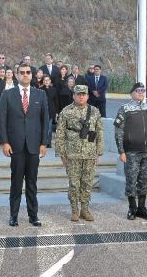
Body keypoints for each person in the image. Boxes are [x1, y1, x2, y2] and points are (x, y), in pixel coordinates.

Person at [0, 64, 49, 227]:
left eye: (28, 73)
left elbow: (44, 120)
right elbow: (1, 120)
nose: (25, 75)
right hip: (16, 146)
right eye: (22, 73)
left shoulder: (40, 95)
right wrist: (5, 142)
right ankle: (14, 216)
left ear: (31, 75)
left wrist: (43, 143)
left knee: (32, 183)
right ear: (16, 75)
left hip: (34, 146)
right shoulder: (7, 94)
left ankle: (33, 215)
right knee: (16, 183)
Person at [55, 84, 103, 222]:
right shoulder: (66, 111)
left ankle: (85, 209)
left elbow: (99, 131)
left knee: (87, 183)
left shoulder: (94, 111)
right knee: (74, 183)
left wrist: (98, 152)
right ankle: (74, 210)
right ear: (73, 96)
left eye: (83, 94)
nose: (81, 96)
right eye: (78, 94)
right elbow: (60, 134)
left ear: (88, 96)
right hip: (72, 153)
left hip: (89, 153)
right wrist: (61, 154)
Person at [114, 82, 147, 220]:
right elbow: (119, 131)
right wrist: (121, 151)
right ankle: (132, 208)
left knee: (144, 180)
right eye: (138, 90)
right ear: (132, 93)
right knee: (131, 179)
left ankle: (142, 208)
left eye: (143, 90)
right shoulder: (125, 109)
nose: (141, 93)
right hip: (131, 152)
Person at [41, 76, 59, 148]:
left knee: (49, 127)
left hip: (51, 111)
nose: (46, 81)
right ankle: (43, 142)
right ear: (43, 82)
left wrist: (57, 112)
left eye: (47, 80)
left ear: (50, 81)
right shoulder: (40, 90)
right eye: (45, 80)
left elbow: (56, 101)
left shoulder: (54, 90)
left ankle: (48, 143)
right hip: (42, 111)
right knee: (43, 127)